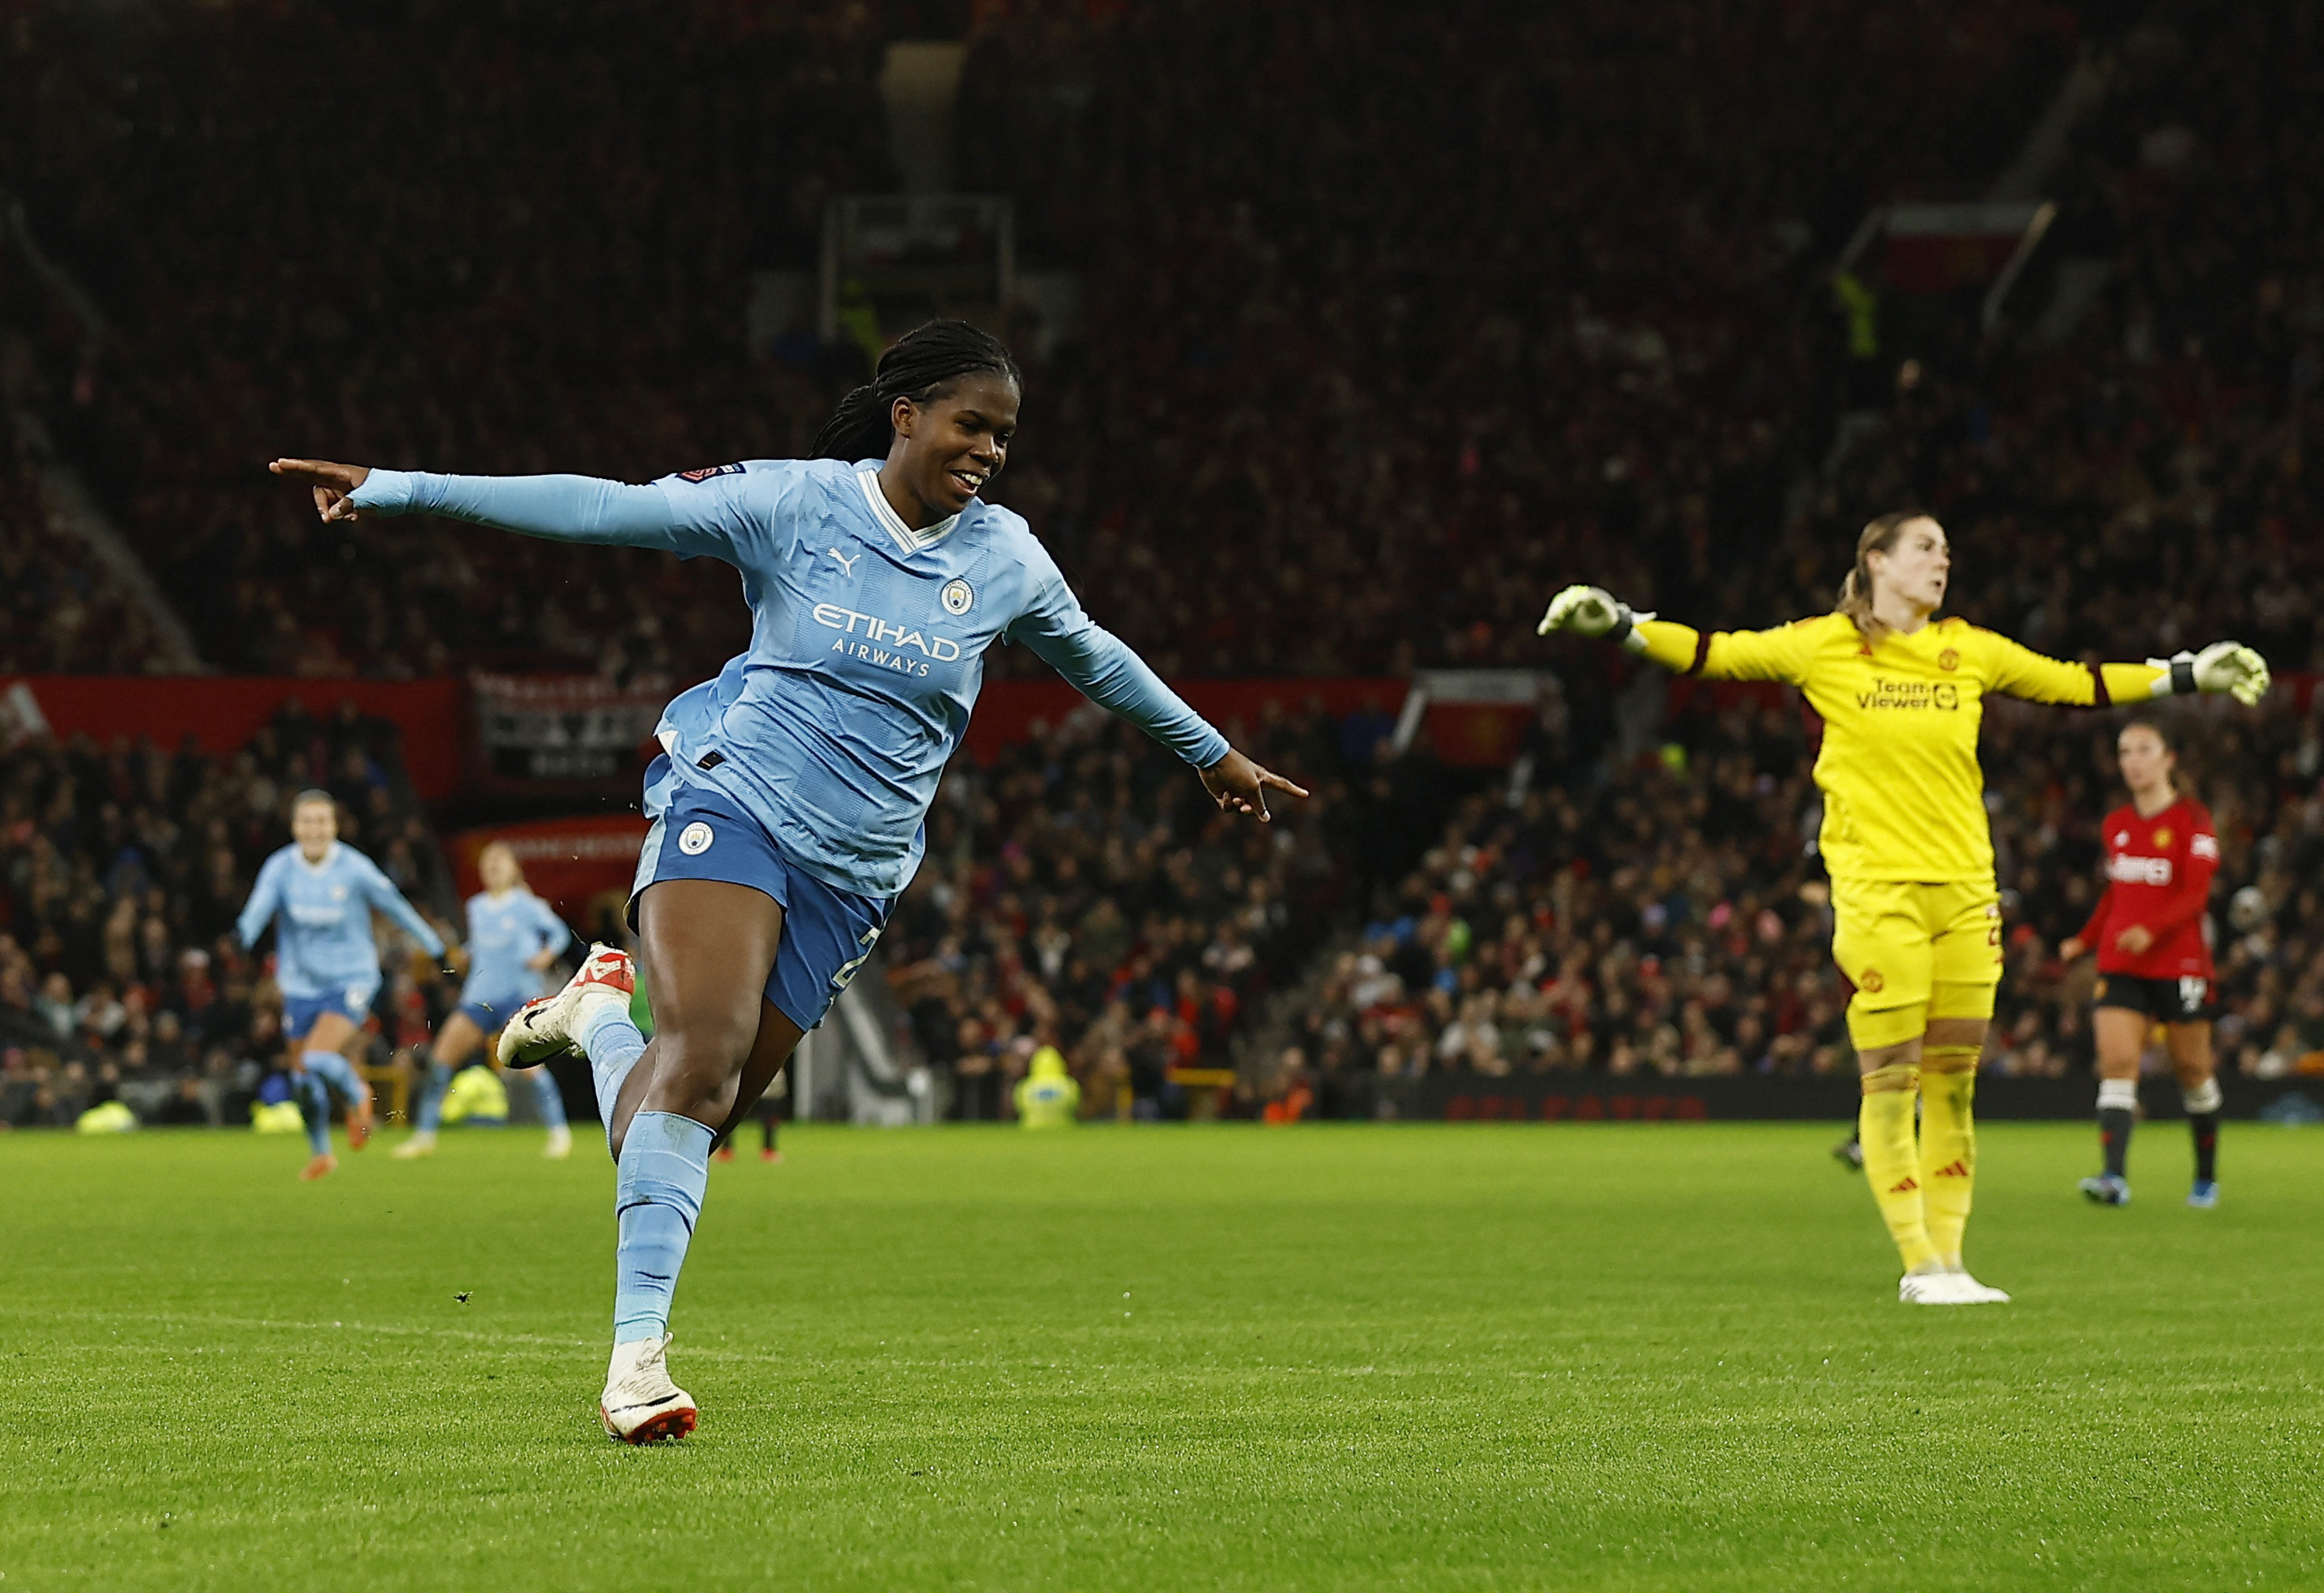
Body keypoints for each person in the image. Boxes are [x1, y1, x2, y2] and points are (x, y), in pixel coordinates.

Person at [270, 319, 1304, 1442]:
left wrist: (1209, 750)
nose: (989, 451)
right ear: (905, 414)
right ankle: (636, 1366)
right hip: (734, 804)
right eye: (972, 424)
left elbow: (1094, 651)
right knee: (702, 1062)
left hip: (854, 878)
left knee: (684, 1111)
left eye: (1003, 436)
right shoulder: (795, 503)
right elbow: (607, 508)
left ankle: (593, 1016)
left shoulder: (1005, 556)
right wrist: (400, 487)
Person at [1538, 512, 2268, 1305]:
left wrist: (2191, 671)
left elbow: (2076, 683)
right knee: (1892, 1077)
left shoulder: (1968, 648)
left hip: (1964, 892)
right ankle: (1917, 1261)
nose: (1941, 561)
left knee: (1952, 1080)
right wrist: (1619, 624)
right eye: (1925, 547)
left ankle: (1952, 1262)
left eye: (1947, 551)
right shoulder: (1823, 643)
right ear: (1875, 560)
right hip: (1875, 891)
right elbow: (1716, 652)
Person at [236, 790, 447, 1180]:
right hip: (299, 985)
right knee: (302, 1080)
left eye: (322, 821)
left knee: (316, 1057)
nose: (315, 829)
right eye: (307, 821)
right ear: (295, 827)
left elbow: (394, 904)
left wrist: (434, 946)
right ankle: (322, 1153)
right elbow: (259, 908)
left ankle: (358, 1094)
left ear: (333, 826)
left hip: (351, 979)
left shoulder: (354, 868)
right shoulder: (280, 867)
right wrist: (241, 939)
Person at [2058, 718, 2224, 1208]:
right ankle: (2113, 1178)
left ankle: (2206, 1178)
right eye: (2125, 751)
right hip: (2121, 963)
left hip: (2180, 963)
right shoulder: (2117, 824)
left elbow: (2196, 895)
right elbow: (2118, 895)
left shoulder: (2193, 820)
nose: (2133, 760)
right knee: (2117, 1062)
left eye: (2144, 750)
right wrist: (2085, 940)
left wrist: (2150, 931)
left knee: (2192, 1068)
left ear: (2168, 758)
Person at [396, 841, 576, 1160]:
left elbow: (560, 933)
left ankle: (559, 1133)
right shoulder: (476, 907)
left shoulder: (527, 905)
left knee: (532, 1069)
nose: (493, 867)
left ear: (513, 869)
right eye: (488, 862)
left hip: (517, 997)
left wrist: (544, 956)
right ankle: (424, 1136)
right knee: (441, 1061)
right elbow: (478, 946)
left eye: (500, 862)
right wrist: (462, 956)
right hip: (479, 998)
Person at [1014, 1043, 1080, 1128]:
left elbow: (1019, 1107)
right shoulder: (1069, 1085)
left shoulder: (1025, 1086)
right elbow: (1075, 1106)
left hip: (1031, 1128)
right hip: (1063, 1128)